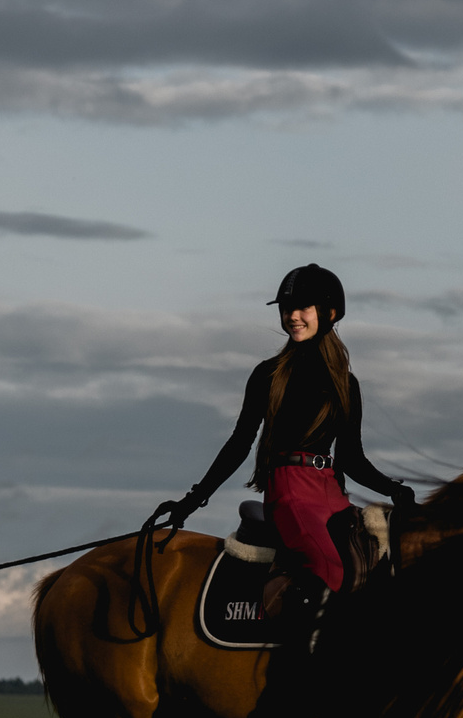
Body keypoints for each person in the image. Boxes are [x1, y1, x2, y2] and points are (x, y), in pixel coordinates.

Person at [152, 264, 416, 620]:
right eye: (286, 309)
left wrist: (393, 489)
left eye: (302, 308)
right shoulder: (267, 374)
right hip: (289, 494)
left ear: (330, 313)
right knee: (330, 572)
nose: (292, 317)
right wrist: (193, 499)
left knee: (379, 566)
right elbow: (240, 442)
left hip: (331, 496)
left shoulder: (347, 385)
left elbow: (351, 458)